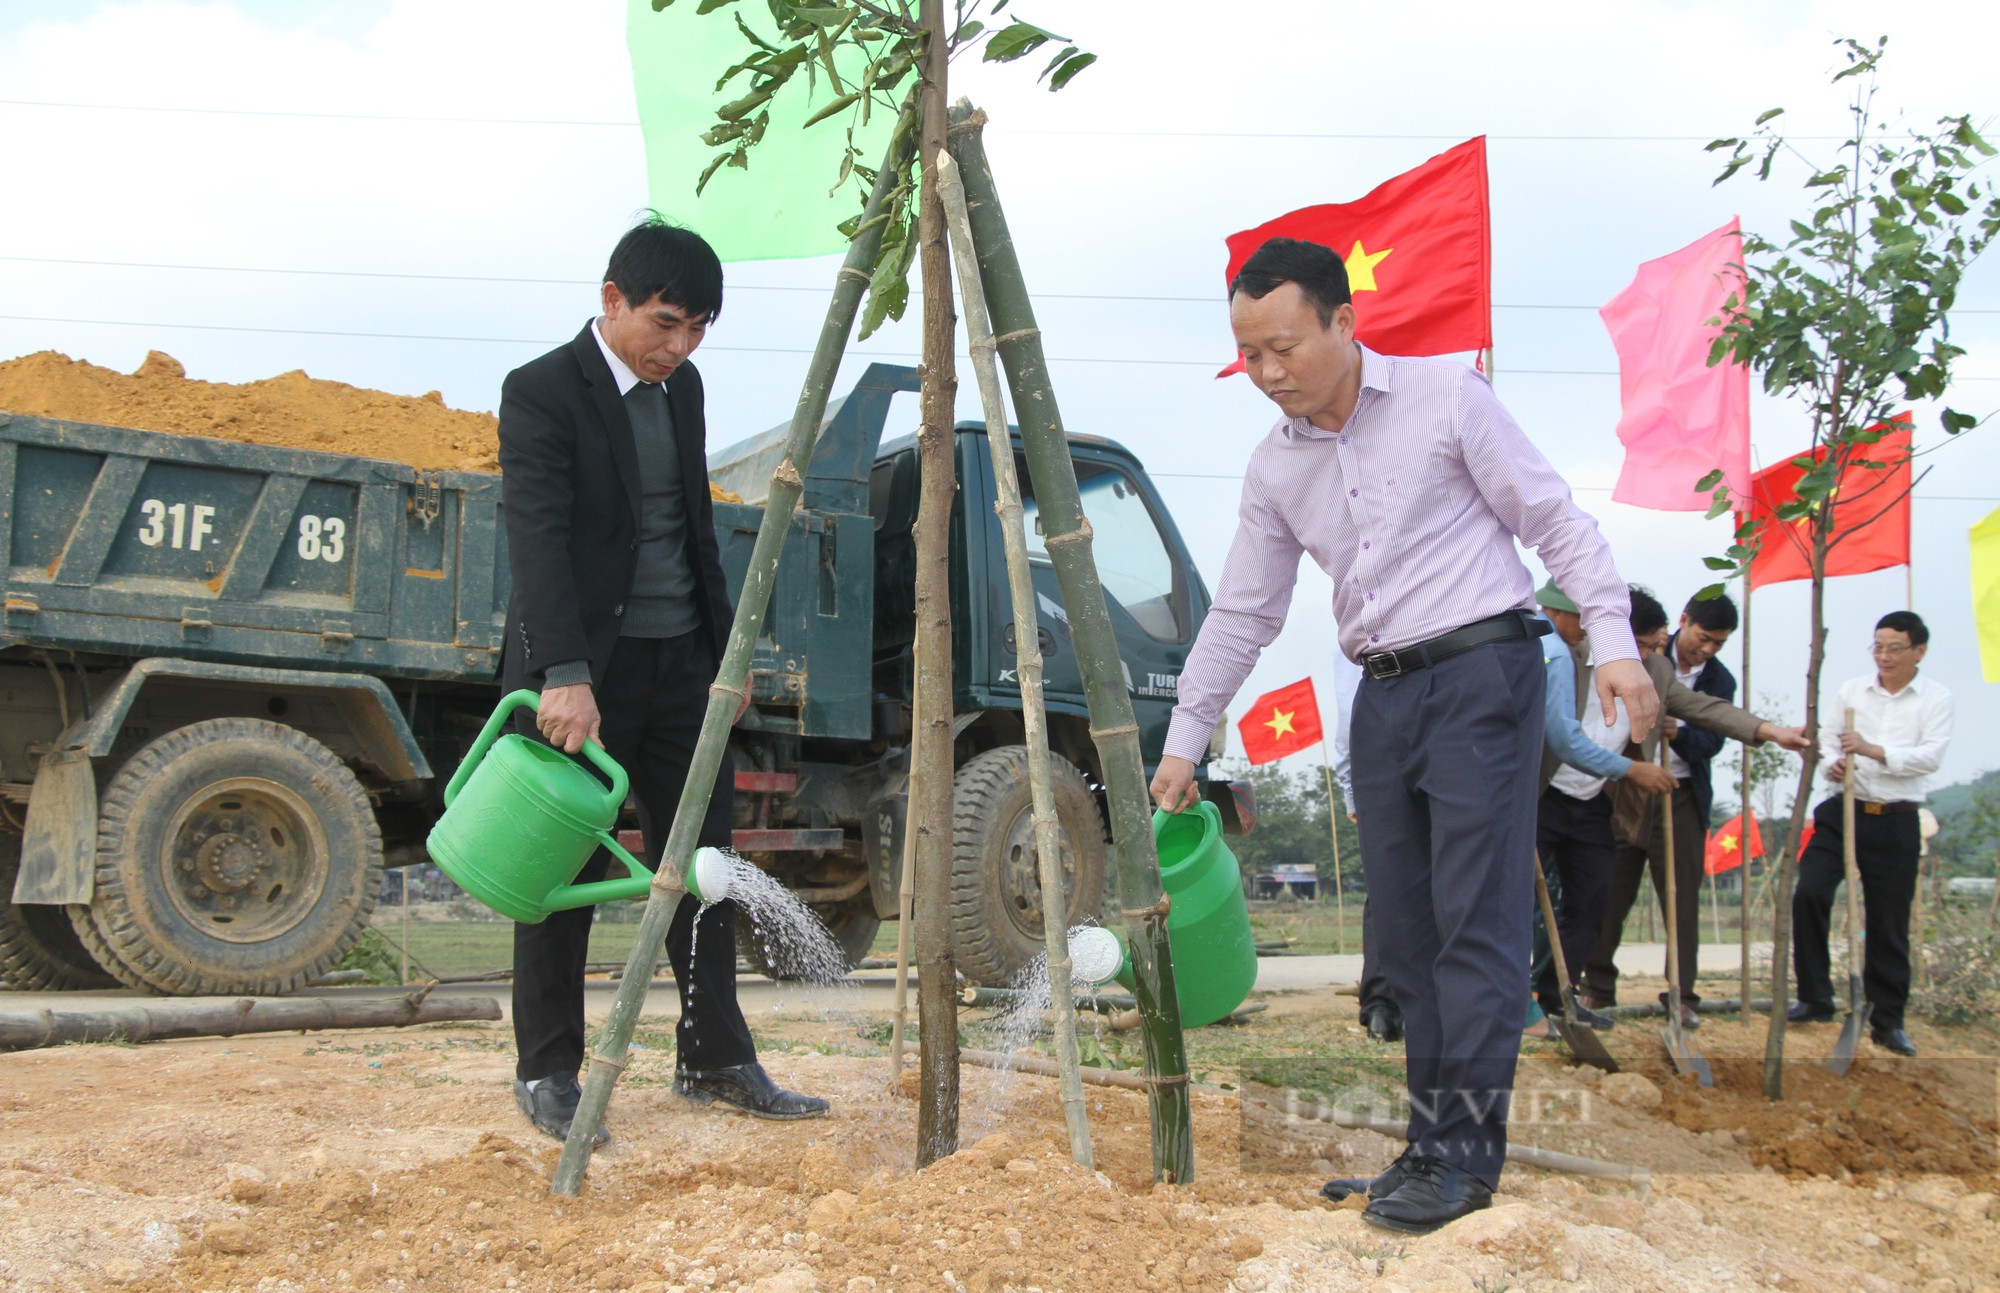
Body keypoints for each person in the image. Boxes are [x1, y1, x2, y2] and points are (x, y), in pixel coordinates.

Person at [1151, 237, 1659, 1235]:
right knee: (1410, 932)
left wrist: (1611, 640)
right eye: (1247, 354)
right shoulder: (1272, 467)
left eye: (1282, 347)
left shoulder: (1445, 399)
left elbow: (1553, 522)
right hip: (1380, 699)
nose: (1265, 373)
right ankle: (1430, 1148)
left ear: (1343, 322)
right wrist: (1185, 737)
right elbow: (1243, 610)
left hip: (1481, 672)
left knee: (1474, 918)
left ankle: (1461, 1162)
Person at [498, 216, 828, 1143]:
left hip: (682, 666)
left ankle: (713, 1055)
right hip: (582, 681)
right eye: (665, 323)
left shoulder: (682, 393)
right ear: (612, 301)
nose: (677, 348)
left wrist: (727, 657)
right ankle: (548, 1070)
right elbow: (538, 544)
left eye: (696, 332)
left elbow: (696, 531)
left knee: (705, 867)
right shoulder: (540, 392)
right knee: (561, 870)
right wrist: (563, 673)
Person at [1788, 611, 1954, 1057]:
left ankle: (1888, 1020)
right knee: (1811, 893)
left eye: (1894, 648)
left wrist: (1872, 750)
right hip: (1844, 811)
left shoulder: (1935, 699)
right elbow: (1825, 739)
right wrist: (1833, 763)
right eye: (1878, 647)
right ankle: (1815, 996)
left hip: (1897, 820)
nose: (1884, 656)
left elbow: (1929, 757)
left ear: (1919, 651)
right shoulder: (1852, 692)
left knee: (1888, 921)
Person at [1580, 590, 1742, 1021]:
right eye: (1703, 637)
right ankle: (1597, 985)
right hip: (1628, 789)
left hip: (1680, 797)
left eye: (1718, 643)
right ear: (1683, 622)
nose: (1706, 649)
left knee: (1680, 896)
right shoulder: (1643, 654)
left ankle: (1682, 995)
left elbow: (1711, 739)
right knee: (1611, 890)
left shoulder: (1719, 681)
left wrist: (1680, 733)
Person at [1528, 581, 1679, 1034]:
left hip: (1592, 799)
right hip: (1544, 793)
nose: (1648, 654)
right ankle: (1515, 1001)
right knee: (1519, 898)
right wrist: (1631, 771)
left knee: (1594, 897)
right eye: (1641, 643)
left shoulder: (1652, 671)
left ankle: (1559, 997)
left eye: (1655, 646)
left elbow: (1701, 706)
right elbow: (1563, 738)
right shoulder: (1558, 655)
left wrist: (1768, 731)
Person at [1330, 654, 1401, 1042]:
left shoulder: (1360, 621)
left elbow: (1348, 720)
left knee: (1388, 889)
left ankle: (1381, 1007)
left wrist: (1351, 791)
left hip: (1377, 761)